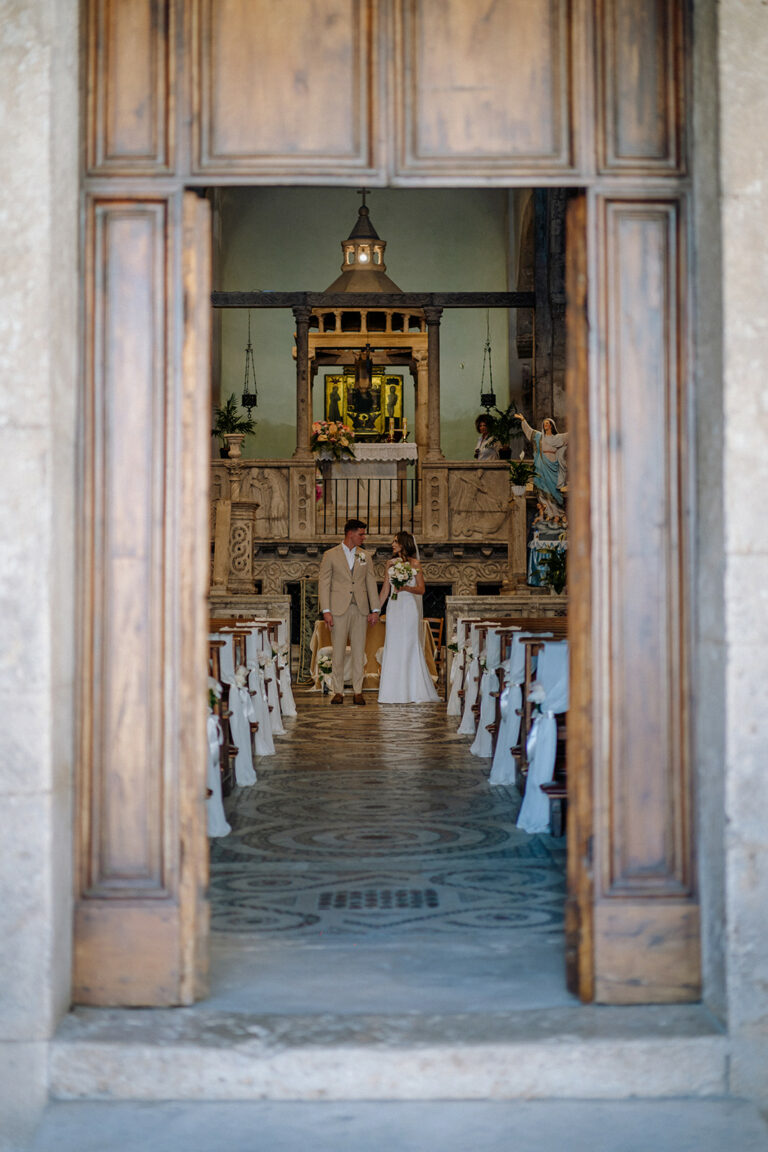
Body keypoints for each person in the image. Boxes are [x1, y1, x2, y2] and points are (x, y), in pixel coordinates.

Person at [318, 518, 380, 705]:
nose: (363, 537)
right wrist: (326, 610)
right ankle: (338, 691)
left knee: (359, 651)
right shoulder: (330, 555)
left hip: (360, 609)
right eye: (361, 534)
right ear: (350, 534)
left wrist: (375, 609)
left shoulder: (365, 556)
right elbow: (324, 582)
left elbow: (370, 582)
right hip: (338, 608)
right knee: (337, 651)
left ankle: (358, 691)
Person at [378, 532, 440, 704]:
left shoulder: (415, 564)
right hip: (393, 608)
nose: (392, 544)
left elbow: (421, 589)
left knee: (409, 646)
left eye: (396, 541)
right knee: (393, 645)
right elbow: (385, 589)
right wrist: (375, 610)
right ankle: (393, 691)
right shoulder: (390, 564)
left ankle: (412, 690)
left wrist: (405, 588)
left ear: (404, 544)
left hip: (409, 607)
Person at [515, 413, 569, 517]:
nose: (545, 425)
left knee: (554, 492)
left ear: (552, 426)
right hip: (541, 467)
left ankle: (558, 514)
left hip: (553, 467)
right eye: (544, 423)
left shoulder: (557, 438)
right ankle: (547, 513)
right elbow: (529, 431)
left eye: (547, 423)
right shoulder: (539, 437)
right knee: (542, 490)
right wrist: (523, 420)